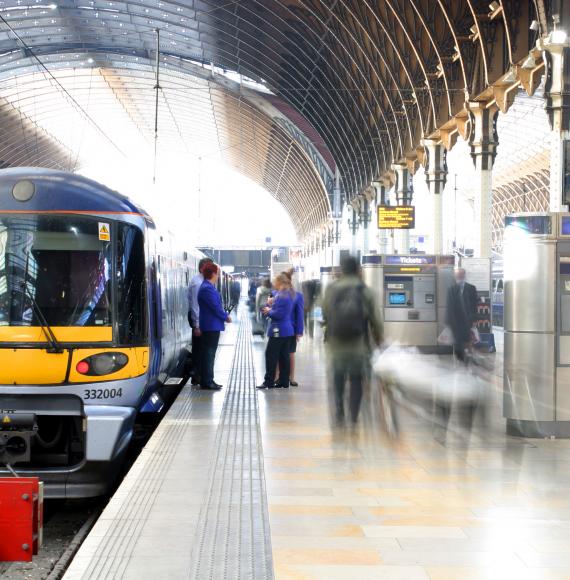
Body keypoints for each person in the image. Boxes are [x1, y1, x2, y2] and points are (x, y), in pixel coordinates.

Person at [323, 256, 383, 426]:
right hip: (359, 346)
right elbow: (376, 321)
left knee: (338, 377)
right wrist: (379, 341)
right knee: (357, 380)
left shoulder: (331, 289)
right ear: (358, 269)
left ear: (342, 269)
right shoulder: (365, 290)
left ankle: (339, 411)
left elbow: (324, 313)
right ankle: (354, 416)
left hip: (336, 345)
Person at [257, 273, 295, 389]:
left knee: (270, 355)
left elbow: (279, 314)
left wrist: (269, 311)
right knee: (284, 356)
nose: (274, 284)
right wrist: (272, 305)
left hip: (278, 330)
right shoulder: (287, 294)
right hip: (286, 330)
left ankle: (269, 381)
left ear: (280, 283)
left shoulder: (282, 296)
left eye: (275, 282)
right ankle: (284, 381)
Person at [197, 262, 232, 390]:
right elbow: (215, 307)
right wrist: (226, 317)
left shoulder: (208, 287)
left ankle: (208, 379)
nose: (217, 276)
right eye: (216, 273)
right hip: (210, 326)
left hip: (211, 325)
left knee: (209, 353)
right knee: (209, 354)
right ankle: (207, 381)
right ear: (212, 274)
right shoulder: (207, 288)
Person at [188, 257, 214, 386]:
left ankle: (200, 376)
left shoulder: (201, 281)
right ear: (203, 268)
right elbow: (195, 305)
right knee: (200, 350)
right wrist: (197, 325)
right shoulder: (198, 283)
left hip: (202, 321)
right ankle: (198, 376)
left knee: (201, 350)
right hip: (200, 322)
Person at [445, 267, 478, 362]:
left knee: (468, 341)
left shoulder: (471, 288)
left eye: (461, 274)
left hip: (468, 321)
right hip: (455, 322)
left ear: (464, 275)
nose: (459, 276)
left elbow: (475, 305)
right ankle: (460, 360)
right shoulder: (451, 289)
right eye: (457, 274)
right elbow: (449, 305)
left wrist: (474, 320)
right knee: (458, 343)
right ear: (455, 276)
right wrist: (449, 321)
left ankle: (468, 359)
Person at [283, 269, 304, 387]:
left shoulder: (298, 296)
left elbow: (299, 314)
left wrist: (299, 331)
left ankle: (291, 378)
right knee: (278, 354)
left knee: (291, 353)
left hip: (291, 329)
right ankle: (277, 377)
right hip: (279, 329)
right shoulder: (275, 293)